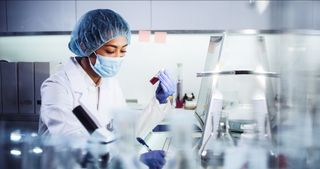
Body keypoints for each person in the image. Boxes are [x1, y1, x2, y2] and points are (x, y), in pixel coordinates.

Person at [38, 9, 175, 169]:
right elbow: (73, 144)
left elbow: (125, 133)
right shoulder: (57, 86)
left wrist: (159, 100)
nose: (117, 57)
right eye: (110, 51)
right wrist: (133, 160)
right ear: (85, 46)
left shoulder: (110, 83)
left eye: (123, 51)